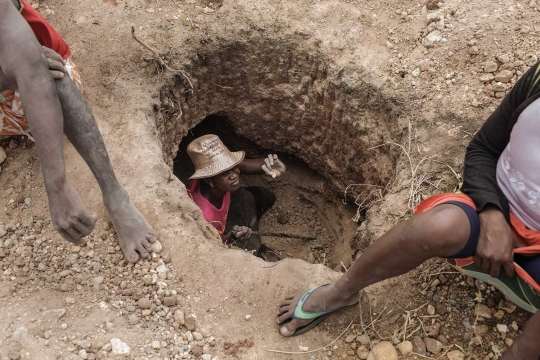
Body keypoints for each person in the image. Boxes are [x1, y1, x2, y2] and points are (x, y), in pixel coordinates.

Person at [276, 61, 540, 359]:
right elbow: (484, 148)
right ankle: (339, 293)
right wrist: (492, 215)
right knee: (429, 229)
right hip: (493, 206)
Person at [0, 0, 157, 262]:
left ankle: (115, 195)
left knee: (47, 71)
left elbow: (34, 75)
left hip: (39, 79)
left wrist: (57, 186)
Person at [186, 134, 285, 262]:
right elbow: (215, 246)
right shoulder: (206, 215)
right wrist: (232, 235)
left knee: (265, 196)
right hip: (223, 230)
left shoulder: (215, 182)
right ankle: (256, 249)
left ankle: (250, 229)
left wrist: (268, 165)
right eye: (225, 173)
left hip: (228, 200)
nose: (234, 175)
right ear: (209, 179)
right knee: (244, 241)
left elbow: (243, 165)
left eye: (233, 168)